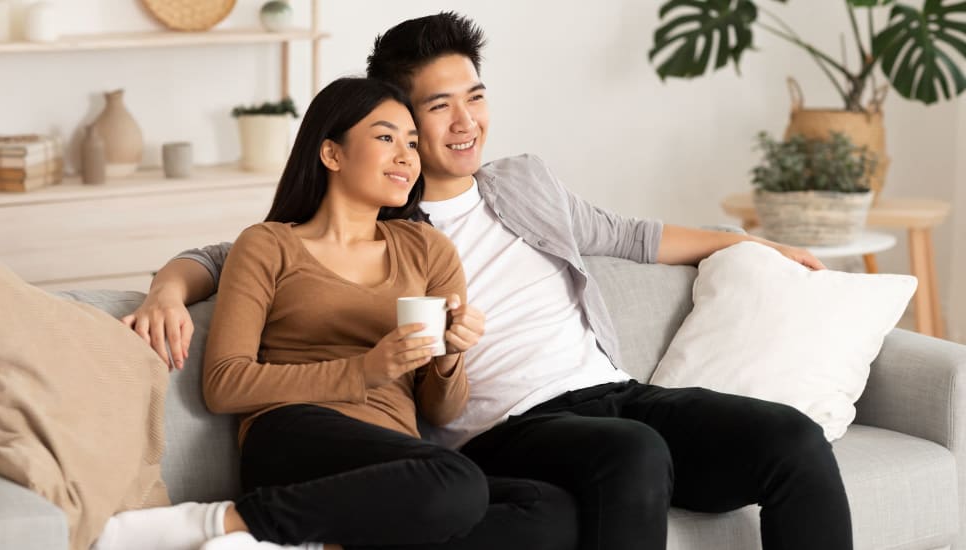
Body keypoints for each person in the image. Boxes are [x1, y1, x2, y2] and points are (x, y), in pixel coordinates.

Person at [124, 12, 852, 550]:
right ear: (392, 120)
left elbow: (631, 235)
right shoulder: (387, 222)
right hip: (507, 429)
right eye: (436, 108)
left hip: (611, 393)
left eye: (474, 96)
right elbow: (240, 254)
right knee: (631, 455)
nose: (465, 121)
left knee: (789, 440)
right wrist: (165, 287)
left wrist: (753, 243)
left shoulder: (523, 183)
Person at [94, 77, 578, 550]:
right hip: (292, 434)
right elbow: (225, 384)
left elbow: (440, 410)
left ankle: (313, 540)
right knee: (456, 481)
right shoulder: (268, 244)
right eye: (386, 138)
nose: (406, 156)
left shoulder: (429, 249)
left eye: (411, 142)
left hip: (397, 459)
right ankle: (223, 523)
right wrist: (363, 371)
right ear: (332, 153)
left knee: (549, 509)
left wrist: (450, 357)